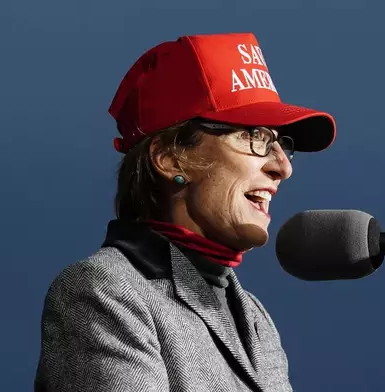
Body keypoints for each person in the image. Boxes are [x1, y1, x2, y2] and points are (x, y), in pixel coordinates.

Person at [33, 32, 336, 392]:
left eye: (280, 143)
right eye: (253, 136)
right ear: (169, 157)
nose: (282, 167)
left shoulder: (255, 317)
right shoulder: (104, 291)